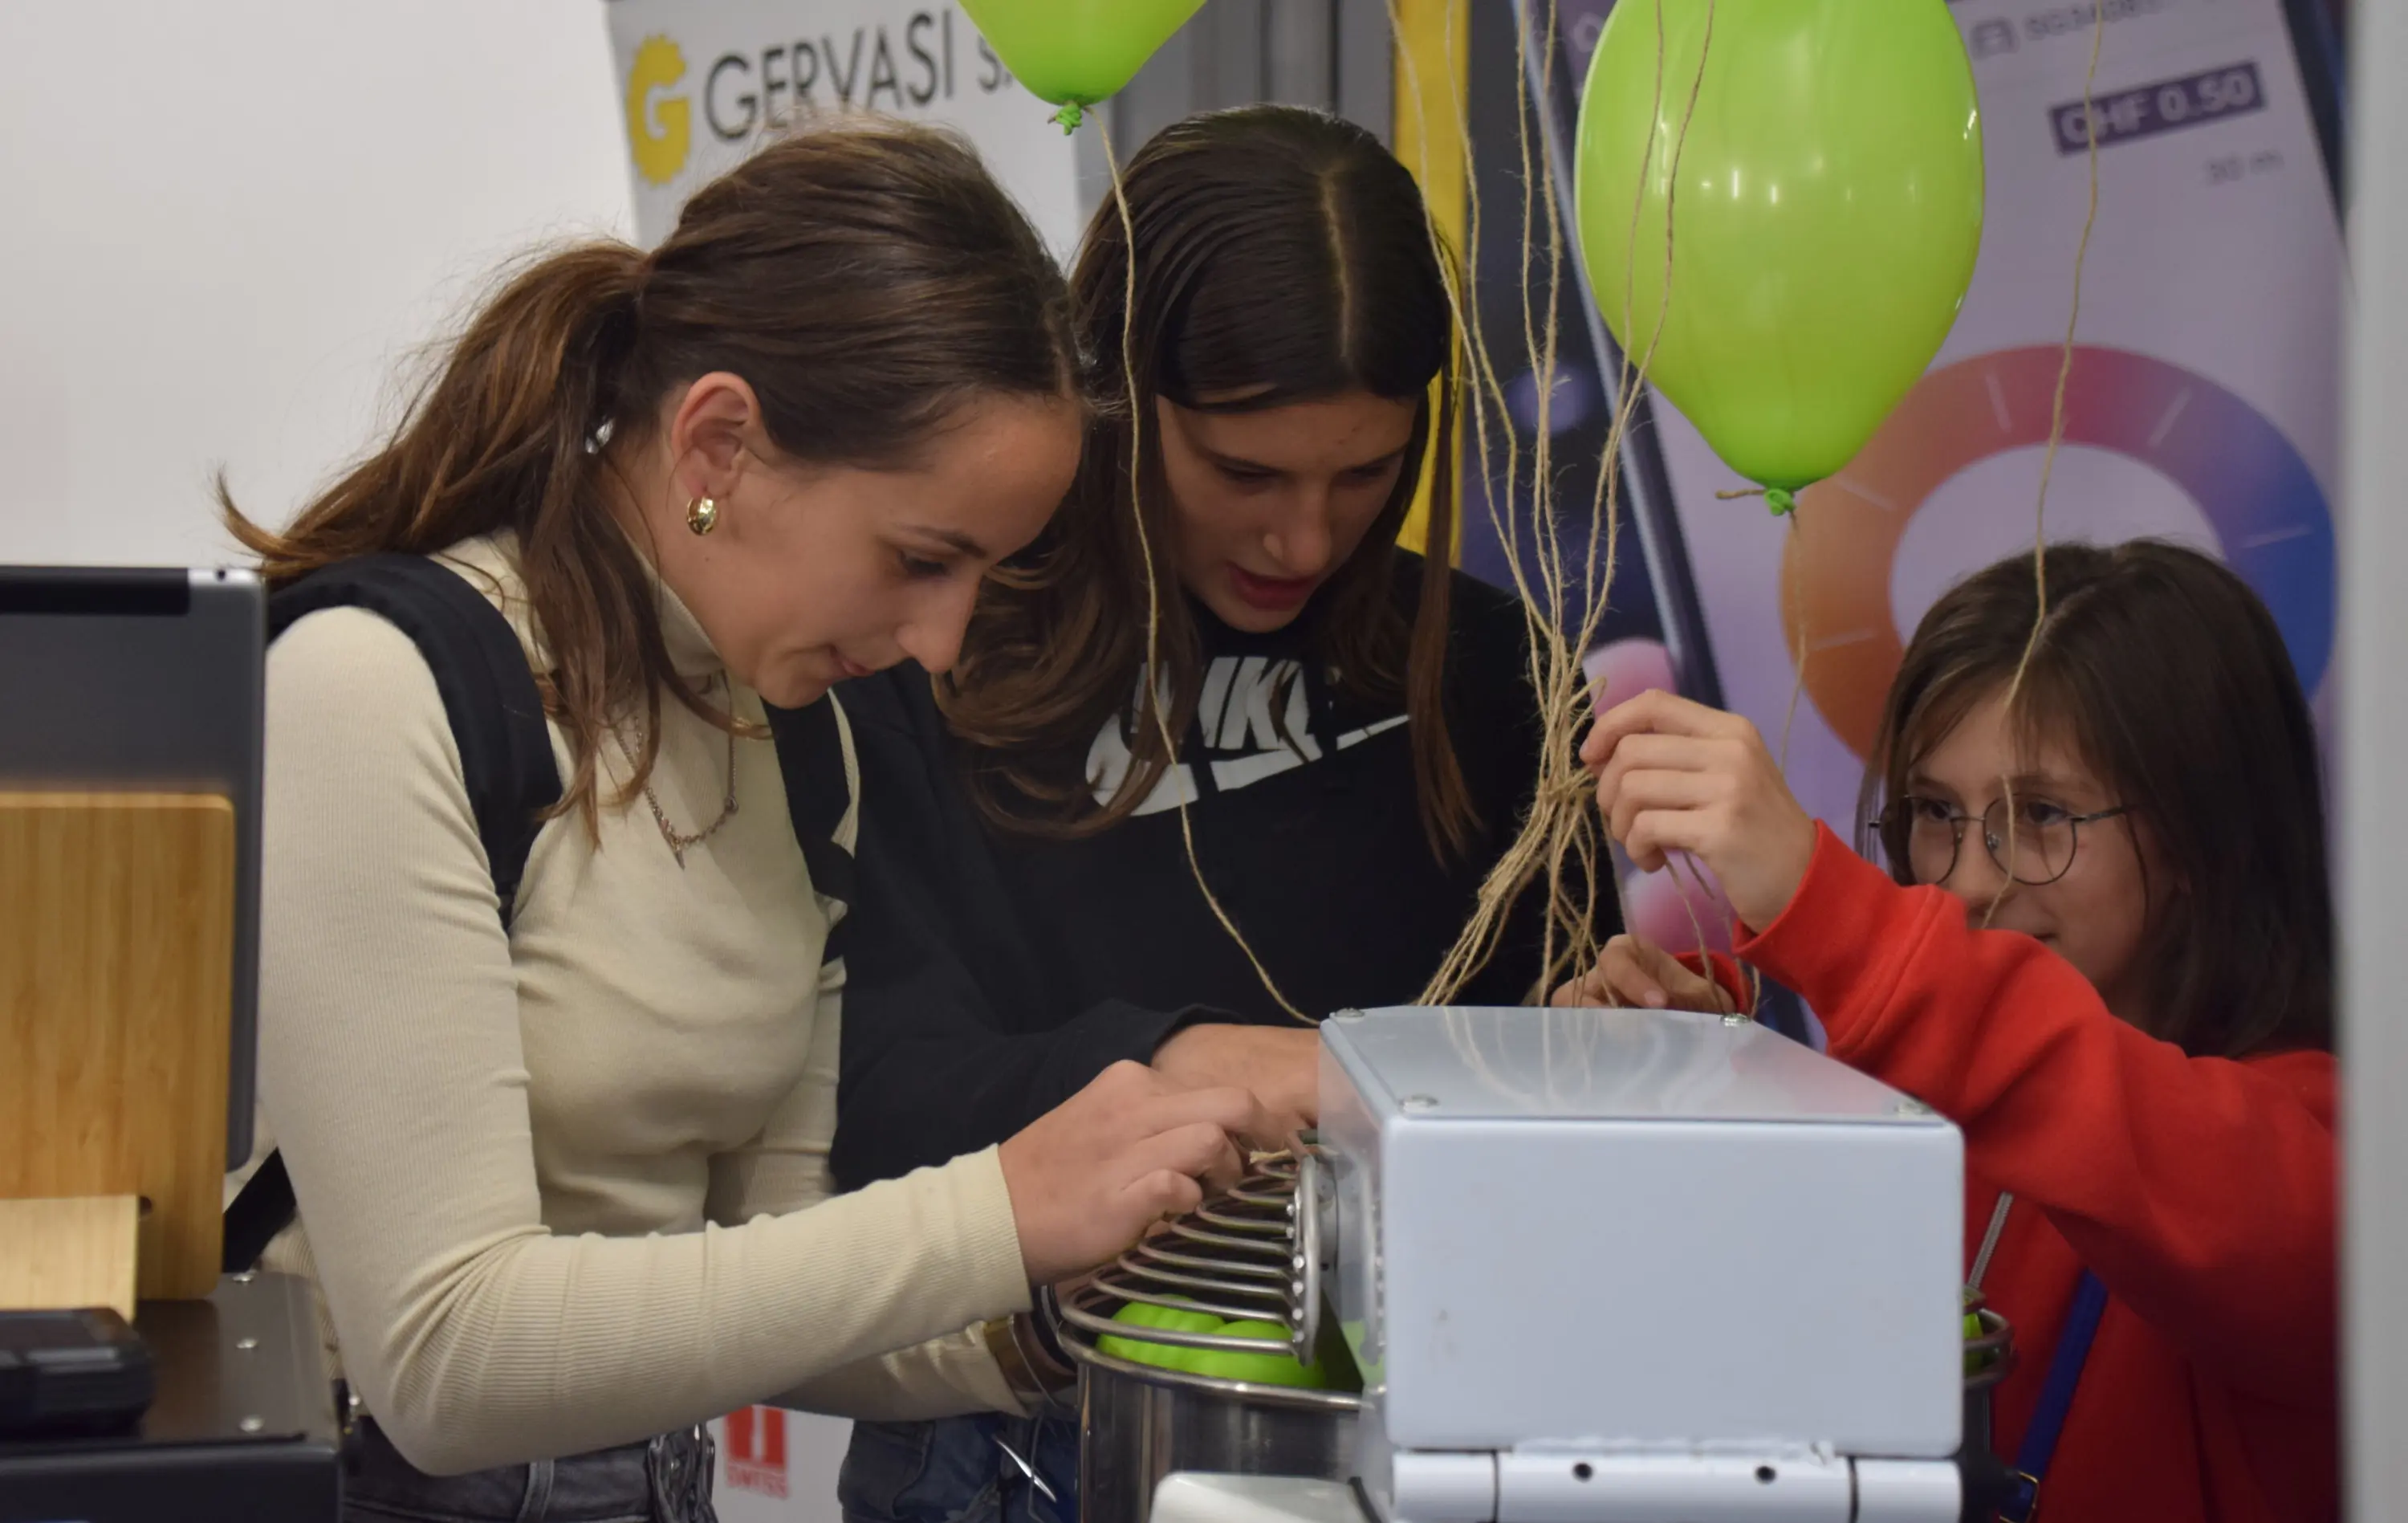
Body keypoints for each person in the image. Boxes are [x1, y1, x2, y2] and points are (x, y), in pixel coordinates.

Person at [227, 120, 1276, 1523]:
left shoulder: (800, 743)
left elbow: (766, 1269)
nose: (944, 642)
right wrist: (998, 1210)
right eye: (920, 559)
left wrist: (1034, 1315)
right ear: (719, 438)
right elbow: (445, 1355)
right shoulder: (378, 691)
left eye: (982, 575)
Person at [826, 105, 1597, 1523]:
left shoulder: (1495, 672)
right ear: (1111, 398)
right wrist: (1209, 1070)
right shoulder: (921, 650)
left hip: (1426, 1409)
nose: (1303, 538)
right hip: (1026, 1423)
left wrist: (1620, 1051)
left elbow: (1536, 1095)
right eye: (1244, 473)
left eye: (1365, 473)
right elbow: (857, 1094)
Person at [1562, 541, 2336, 1523]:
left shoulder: (2324, 1159)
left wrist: (1823, 900)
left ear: (2201, 839)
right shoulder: (1907, 1109)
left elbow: (2135, 1136)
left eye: (2042, 813)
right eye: (1935, 812)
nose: (1969, 878)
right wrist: (1698, 1091)